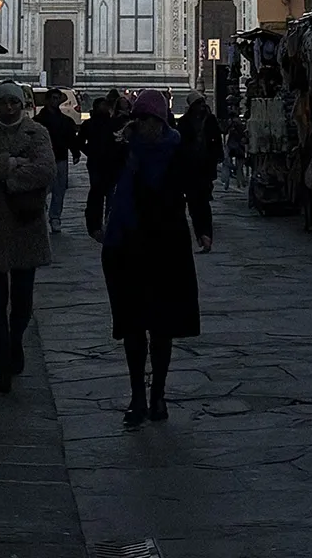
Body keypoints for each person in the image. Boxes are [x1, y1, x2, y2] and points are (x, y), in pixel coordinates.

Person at [101, 90, 212, 427]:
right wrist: (96, 220)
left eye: (150, 119)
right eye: (141, 118)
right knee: (133, 327)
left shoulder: (179, 151)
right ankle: (137, 395)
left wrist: (203, 229)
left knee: (162, 328)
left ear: (162, 120)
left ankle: (158, 394)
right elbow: (102, 182)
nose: (145, 125)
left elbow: (196, 191)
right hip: (129, 248)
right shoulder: (124, 149)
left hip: (167, 248)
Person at [0, 80, 56, 393]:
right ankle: (2, 367)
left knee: (22, 301)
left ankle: (15, 340)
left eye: (14, 102)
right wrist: (13, 163)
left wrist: (4, 174)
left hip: (24, 225)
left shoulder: (37, 133)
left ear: (22, 104)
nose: (9, 107)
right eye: (3, 102)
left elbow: (45, 171)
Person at [177, 90, 225, 241]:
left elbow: (217, 139)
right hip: (190, 168)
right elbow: (180, 144)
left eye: (202, 102)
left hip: (205, 166)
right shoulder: (184, 122)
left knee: (203, 202)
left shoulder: (210, 120)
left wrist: (218, 156)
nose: (202, 106)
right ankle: (200, 234)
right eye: (198, 103)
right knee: (193, 203)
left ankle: (206, 234)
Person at [35, 87, 81, 233]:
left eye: (57, 98)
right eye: (53, 98)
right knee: (41, 188)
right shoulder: (38, 121)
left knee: (59, 190)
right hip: (43, 158)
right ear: (48, 100)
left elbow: (71, 138)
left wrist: (75, 152)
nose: (56, 102)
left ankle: (55, 218)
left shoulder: (65, 120)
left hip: (60, 157)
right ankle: (40, 213)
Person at [83, 95, 129, 239]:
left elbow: (119, 141)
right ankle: (95, 225)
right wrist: (89, 151)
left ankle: (108, 222)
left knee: (110, 195)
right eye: (103, 106)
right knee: (96, 195)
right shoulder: (89, 124)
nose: (105, 108)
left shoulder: (113, 123)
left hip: (111, 164)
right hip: (96, 164)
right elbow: (79, 141)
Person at [223, 115, 247, 191]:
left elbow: (225, 132)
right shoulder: (241, 127)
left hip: (232, 146)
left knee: (229, 164)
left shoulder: (232, 127)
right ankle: (240, 182)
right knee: (239, 166)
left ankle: (233, 182)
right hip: (238, 147)